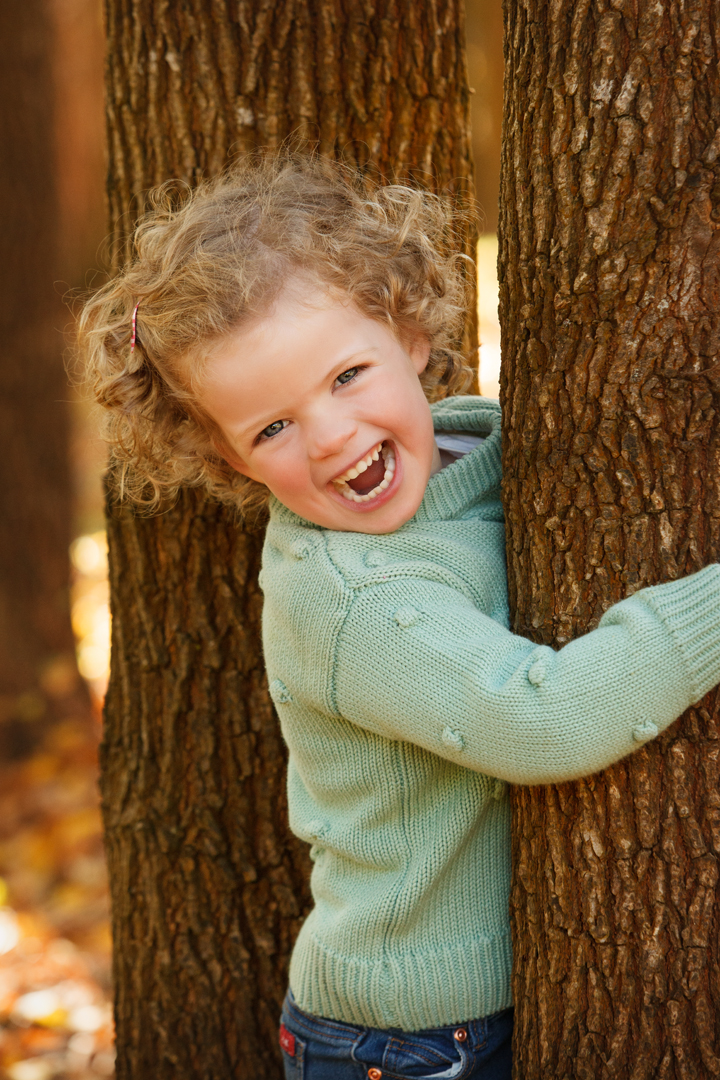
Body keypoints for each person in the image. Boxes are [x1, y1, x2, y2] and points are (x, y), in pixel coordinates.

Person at [79, 154, 720, 1080]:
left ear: (410, 331)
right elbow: (542, 718)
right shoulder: (349, 599)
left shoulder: (487, 448)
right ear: (229, 462)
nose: (332, 435)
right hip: (409, 1040)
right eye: (273, 428)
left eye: (347, 375)